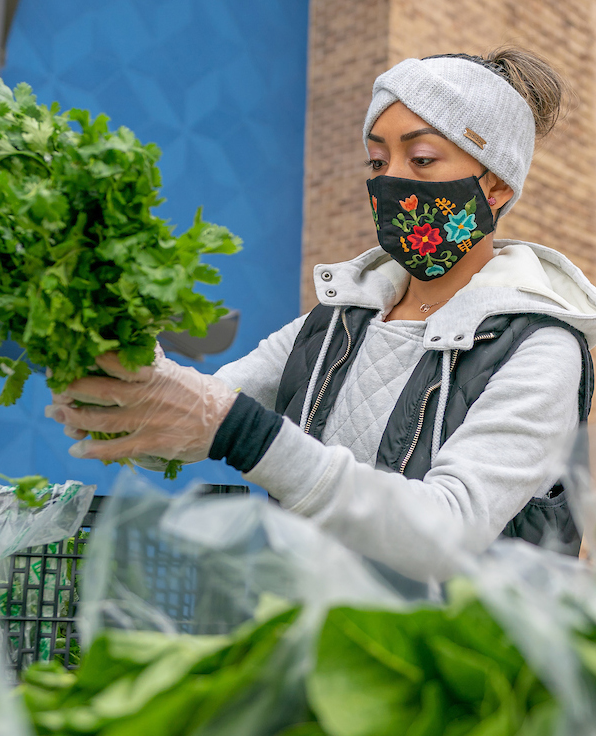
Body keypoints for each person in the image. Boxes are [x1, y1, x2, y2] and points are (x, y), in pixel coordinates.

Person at [46, 48, 596, 584]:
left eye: (421, 159)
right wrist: (119, 375)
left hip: (450, 664)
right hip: (308, 644)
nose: (391, 181)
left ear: (496, 186)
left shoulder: (539, 349)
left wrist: (237, 432)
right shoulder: (335, 323)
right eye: (377, 161)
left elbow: (447, 529)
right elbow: (197, 410)